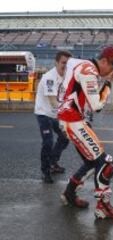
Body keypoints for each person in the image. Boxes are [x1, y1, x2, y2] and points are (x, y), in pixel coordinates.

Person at [58, 46, 113, 219]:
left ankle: (69, 194)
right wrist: (108, 85)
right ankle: (103, 207)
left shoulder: (87, 67)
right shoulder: (89, 71)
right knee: (106, 163)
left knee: (91, 163)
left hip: (72, 120)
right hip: (72, 121)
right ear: (104, 62)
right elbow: (96, 106)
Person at [34, 51, 72, 184]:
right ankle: (45, 171)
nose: (65, 66)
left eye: (68, 63)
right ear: (56, 62)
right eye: (63, 63)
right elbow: (52, 101)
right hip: (43, 113)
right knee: (48, 142)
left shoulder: (67, 76)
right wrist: (68, 111)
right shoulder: (49, 77)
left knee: (64, 137)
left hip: (55, 113)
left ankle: (53, 163)